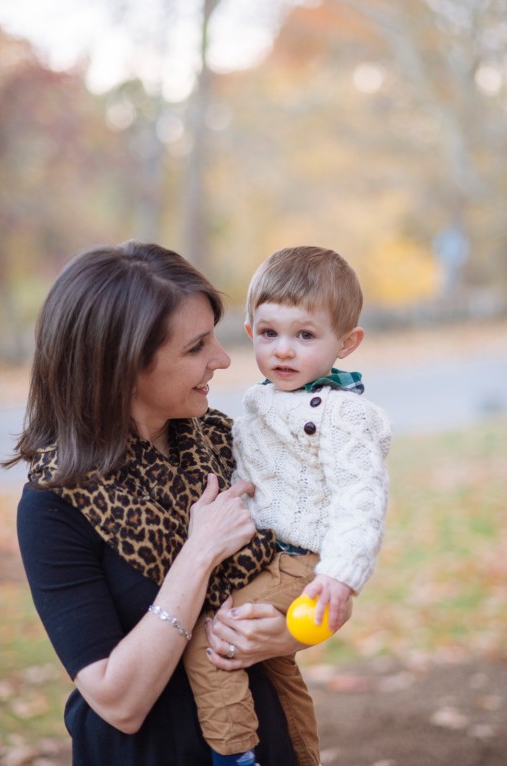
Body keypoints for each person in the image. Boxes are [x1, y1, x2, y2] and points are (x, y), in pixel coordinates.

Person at [9, 241, 319, 765]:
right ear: (123, 364)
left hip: (263, 741)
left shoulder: (233, 445)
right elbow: (117, 700)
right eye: (196, 347)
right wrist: (199, 554)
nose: (221, 359)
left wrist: (293, 630)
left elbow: (313, 571)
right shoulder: (56, 504)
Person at [182, 245, 392, 765]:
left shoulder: (344, 415)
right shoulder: (258, 401)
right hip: (264, 555)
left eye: (305, 335)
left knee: (214, 638)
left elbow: (361, 499)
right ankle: (301, 757)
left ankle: (234, 755)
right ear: (252, 332)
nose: (284, 351)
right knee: (279, 671)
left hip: (303, 562)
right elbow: (251, 474)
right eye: (270, 333)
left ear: (347, 343)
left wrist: (341, 577)